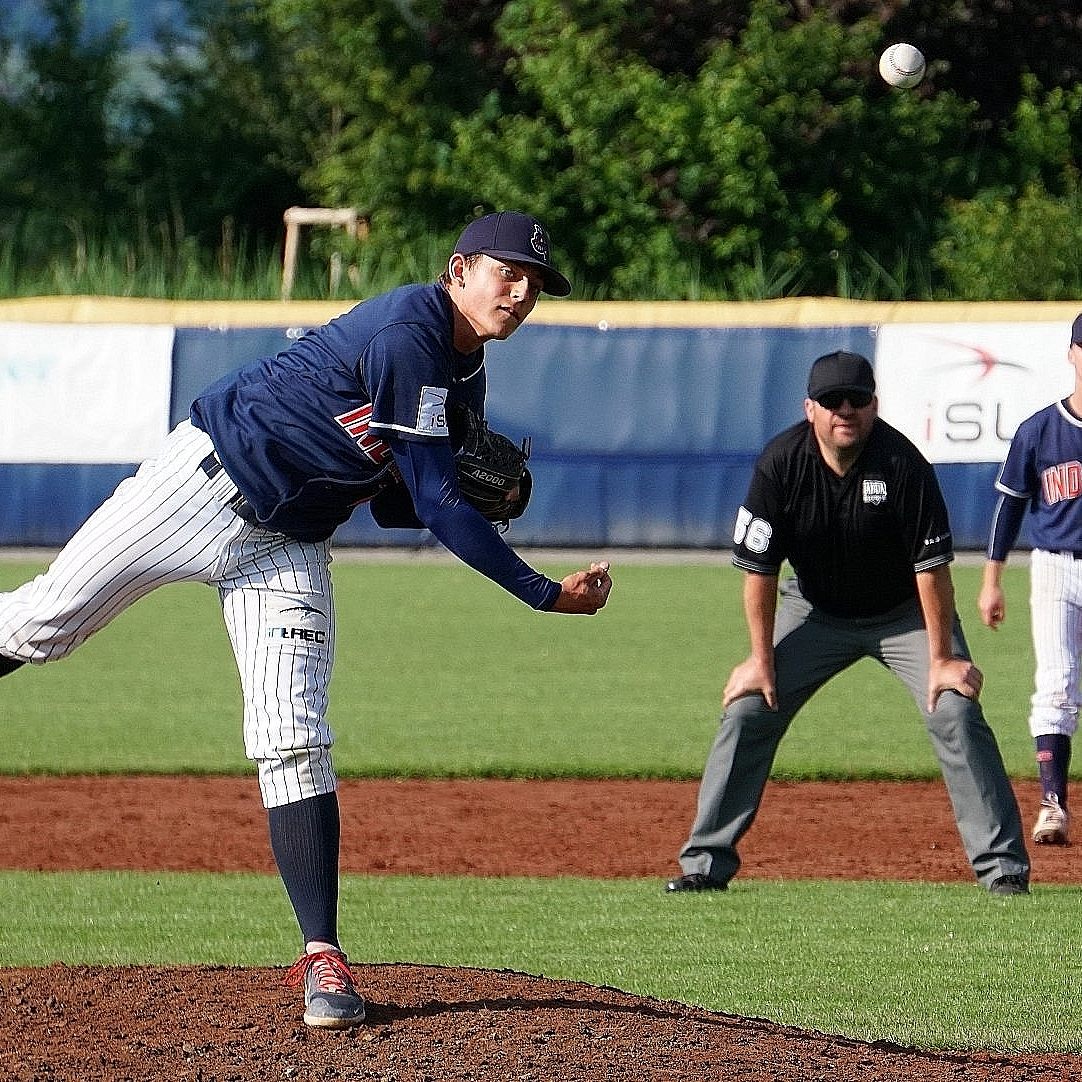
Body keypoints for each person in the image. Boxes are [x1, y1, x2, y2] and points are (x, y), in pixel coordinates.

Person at [0, 210, 613, 1028]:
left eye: (535, 281)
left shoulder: (466, 377)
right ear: (458, 269)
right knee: (41, 625)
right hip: (201, 485)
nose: (522, 290)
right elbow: (432, 499)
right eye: (507, 271)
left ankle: (322, 959)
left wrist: (459, 492)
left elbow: (398, 500)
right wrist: (540, 590)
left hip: (285, 547)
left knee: (292, 736)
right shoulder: (409, 331)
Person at [667, 350, 1031, 896]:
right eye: (832, 400)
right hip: (814, 609)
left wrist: (941, 660)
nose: (845, 410)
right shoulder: (781, 464)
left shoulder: (903, 464)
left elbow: (931, 570)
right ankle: (703, 864)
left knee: (954, 708)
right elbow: (760, 572)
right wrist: (761, 661)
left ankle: (1003, 870)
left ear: (874, 405)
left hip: (905, 612)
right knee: (748, 708)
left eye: (857, 399)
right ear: (809, 408)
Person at [977, 312, 1082, 847]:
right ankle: (1053, 806)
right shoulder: (1040, 430)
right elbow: (1009, 508)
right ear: (1071, 354)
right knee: (1057, 683)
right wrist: (992, 580)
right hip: (1055, 566)